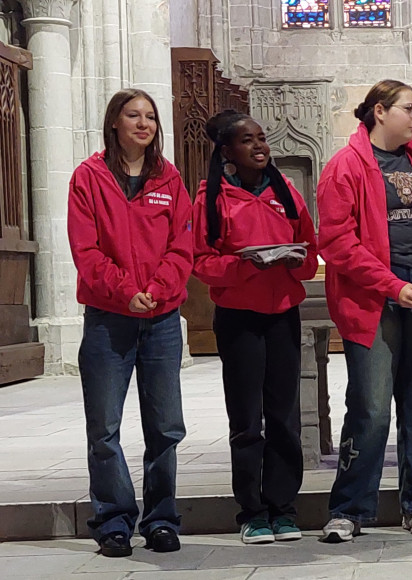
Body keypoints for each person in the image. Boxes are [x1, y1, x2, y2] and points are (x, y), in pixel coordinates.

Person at [317, 79, 412, 542]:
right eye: (410, 108)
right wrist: (391, 284)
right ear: (380, 111)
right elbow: (337, 242)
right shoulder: (344, 166)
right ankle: (349, 510)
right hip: (372, 300)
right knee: (370, 408)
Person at [68, 89, 192, 557]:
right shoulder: (89, 177)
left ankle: (161, 519)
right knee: (104, 428)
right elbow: (86, 250)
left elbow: (182, 245)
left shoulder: (169, 178)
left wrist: (156, 291)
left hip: (160, 320)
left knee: (165, 427)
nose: (144, 124)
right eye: (133, 115)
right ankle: (114, 520)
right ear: (114, 123)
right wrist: (126, 292)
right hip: (108, 319)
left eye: (151, 117)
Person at [192, 111, 319, 543]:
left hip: (282, 312)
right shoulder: (212, 197)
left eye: (262, 138)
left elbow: (310, 254)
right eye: (248, 141)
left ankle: (283, 509)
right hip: (239, 318)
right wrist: (243, 263)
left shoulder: (286, 193)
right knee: (248, 419)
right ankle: (252, 512)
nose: (259, 146)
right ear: (228, 151)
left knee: (284, 416)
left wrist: (294, 258)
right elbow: (203, 262)